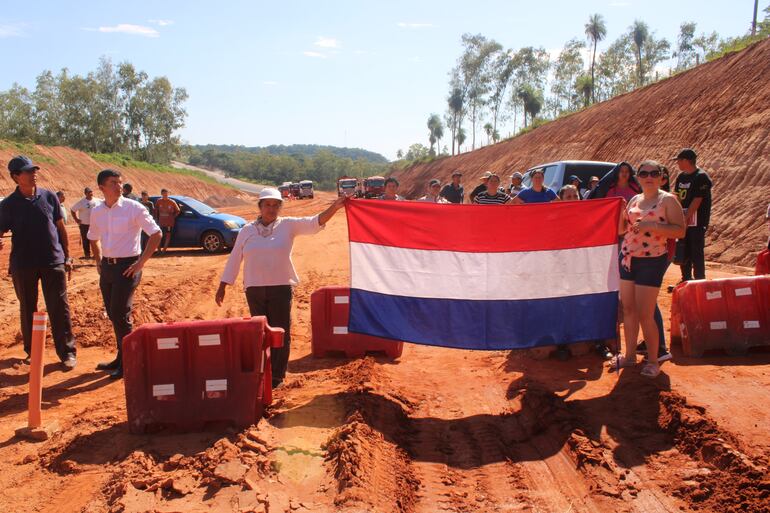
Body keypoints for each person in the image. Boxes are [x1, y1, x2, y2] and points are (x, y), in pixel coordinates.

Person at [215, 189, 346, 388]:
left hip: (280, 287)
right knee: (260, 333)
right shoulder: (247, 230)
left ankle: (277, 376)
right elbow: (235, 257)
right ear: (260, 207)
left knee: (280, 331)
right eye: (267, 204)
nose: (272, 209)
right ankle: (262, 370)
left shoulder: (288, 225)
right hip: (255, 289)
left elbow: (315, 222)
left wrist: (335, 207)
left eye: (276, 205)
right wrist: (223, 285)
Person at [0, 156, 77, 369]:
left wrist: (67, 256)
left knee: (59, 307)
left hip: (53, 260)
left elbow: (60, 228)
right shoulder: (8, 205)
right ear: (16, 177)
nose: (34, 173)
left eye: (34, 170)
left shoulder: (49, 196)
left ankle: (67, 353)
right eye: (28, 171)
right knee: (28, 308)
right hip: (23, 264)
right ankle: (33, 352)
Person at [613, 160, 685, 378]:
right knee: (628, 310)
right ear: (638, 177)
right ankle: (630, 355)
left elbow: (680, 231)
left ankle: (653, 360)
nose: (649, 176)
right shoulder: (634, 199)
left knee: (646, 313)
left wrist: (652, 226)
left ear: (662, 177)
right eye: (644, 173)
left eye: (654, 173)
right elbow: (622, 230)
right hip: (628, 258)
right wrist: (619, 214)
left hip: (652, 260)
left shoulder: (668, 200)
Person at [88, 169, 162, 379]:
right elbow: (93, 237)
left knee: (120, 312)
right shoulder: (97, 211)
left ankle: (130, 361)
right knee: (113, 314)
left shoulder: (134, 208)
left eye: (120, 182)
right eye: (113, 183)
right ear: (102, 187)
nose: (119, 186)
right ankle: (122, 357)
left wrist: (141, 263)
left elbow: (156, 234)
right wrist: (98, 260)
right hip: (108, 267)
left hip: (129, 267)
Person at [672, 148, 712, 282]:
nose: (677, 163)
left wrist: (685, 218)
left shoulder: (701, 177)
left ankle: (700, 279)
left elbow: (697, 200)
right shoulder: (681, 177)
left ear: (686, 161)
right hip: (684, 219)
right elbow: (677, 196)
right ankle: (686, 278)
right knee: (683, 249)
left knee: (696, 251)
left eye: (679, 160)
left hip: (697, 222)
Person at [71, 187, 103, 259]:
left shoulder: (98, 201)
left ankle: (96, 254)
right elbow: (73, 210)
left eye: (91, 192)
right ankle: (87, 254)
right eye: (89, 192)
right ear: (85, 194)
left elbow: (105, 205)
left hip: (95, 224)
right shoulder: (81, 202)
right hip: (84, 224)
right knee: (85, 239)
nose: (91, 193)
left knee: (96, 239)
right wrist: (76, 219)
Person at [155, 189, 180, 253]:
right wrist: (156, 219)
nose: (165, 195)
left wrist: (172, 217)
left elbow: (178, 211)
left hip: (169, 223)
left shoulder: (172, 202)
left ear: (168, 194)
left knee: (168, 236)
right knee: (159, 236)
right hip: (160, 223)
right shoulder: (159, 201)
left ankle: (164, 250)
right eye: (164, 194)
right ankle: (158, 250)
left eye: (166, 194)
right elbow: (156, 210)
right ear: (161, 194)